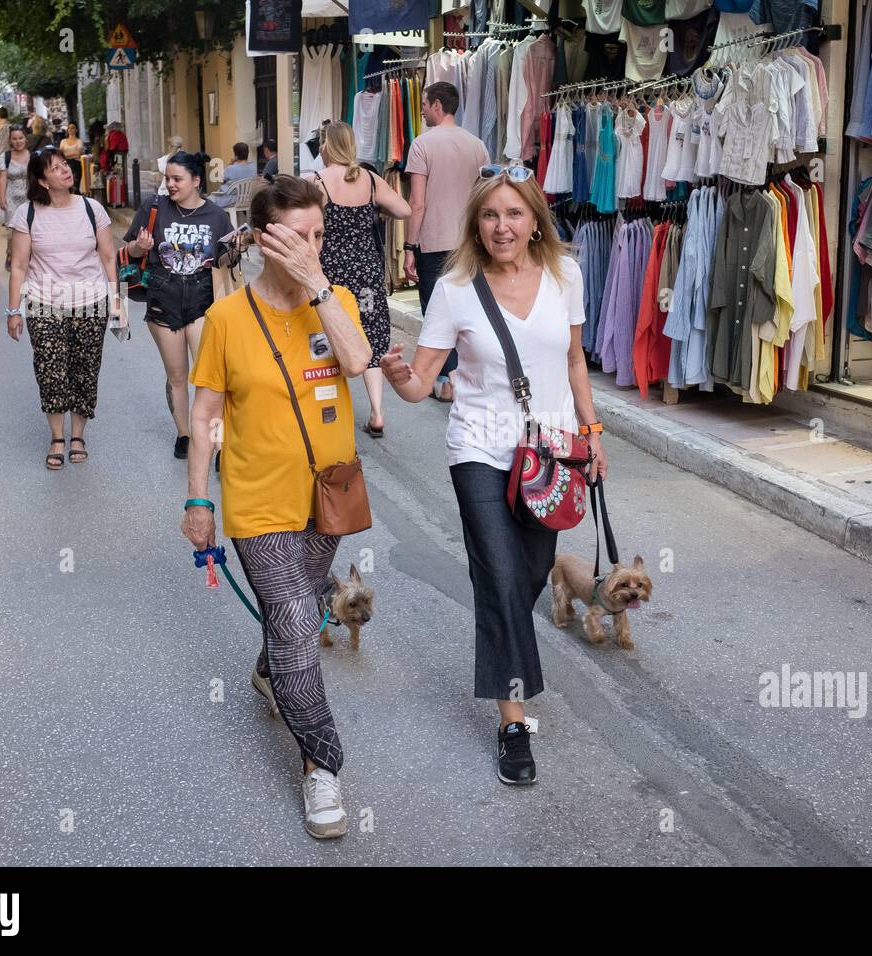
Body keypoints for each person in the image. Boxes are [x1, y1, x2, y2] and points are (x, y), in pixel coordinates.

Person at [381, 164, 608, 786]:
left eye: (513, 213)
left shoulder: (566, 274)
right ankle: (513, 722)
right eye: (489, 215)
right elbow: (422, 382)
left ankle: (508, 650)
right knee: (501, 574)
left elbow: (574, 359)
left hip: (552, 450)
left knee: (529, 575)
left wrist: (591, 431)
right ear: (475, 224)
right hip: (479, 448)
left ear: (534, 218)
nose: (502, 226)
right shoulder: (455, 286)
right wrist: (402, 377)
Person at [182, 174, 371, 839]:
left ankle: (269, 671)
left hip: (330, 493)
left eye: (320, 236)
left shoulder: (336, 299)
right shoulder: (227, 319)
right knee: (295, 618)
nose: (313, 249)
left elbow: (355, 362)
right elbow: (205, 411)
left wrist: (319, 287)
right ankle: (322, 764)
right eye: (298, 238)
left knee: (301, 610)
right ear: (265, 240)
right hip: (258, 501)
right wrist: (198, 496)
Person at [121, 150, 243, 458]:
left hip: (203, 302)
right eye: (167, 179)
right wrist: (140, 246)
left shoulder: (215, 215)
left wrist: (238, 247)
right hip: (163, 300)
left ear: (196, 181)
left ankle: (219, 444)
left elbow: (226, 262)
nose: (170, 185)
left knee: (212, 379)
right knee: (176, 376)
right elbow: (130, 251)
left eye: (177, 179)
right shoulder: (154, 207)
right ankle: (184, 434)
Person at [5, 148, 122, 470]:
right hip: (45, 304)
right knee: (50, 370)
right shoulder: (27, 214)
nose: (65, 170)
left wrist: (116, 299)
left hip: (90, 302)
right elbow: (18, 266)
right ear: (42, 181)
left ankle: (78, 435)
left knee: (85, 370)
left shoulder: (91, 208)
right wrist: (13, 311)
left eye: (64, 165)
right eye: (55, 169)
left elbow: (109, 257)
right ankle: (57, 436)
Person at [302, 121, 410, 437]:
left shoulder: (316, 181)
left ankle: (325, 408)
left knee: (327, 332)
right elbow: (404, 210)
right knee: (371, 335)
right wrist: (376, 214)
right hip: (367, 269)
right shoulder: (371, 180)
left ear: (326, 146)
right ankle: (377, 412)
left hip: (330, 269)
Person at [403, 81, 490, 404]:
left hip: (434, 241)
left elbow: (417, 202)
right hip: (471, 241)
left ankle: (451, 378)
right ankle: (465, 375)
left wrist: (410, 246)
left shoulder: (422, 145)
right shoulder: (478, 146)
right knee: (472, 309)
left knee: (438, 312)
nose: (423, 110)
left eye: (425, 104)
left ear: (438, 105)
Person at [0, 126, 32, 271]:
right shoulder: (5, 157)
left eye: (21, 138)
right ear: (10, 140)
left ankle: (27, 256)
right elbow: (2, 178)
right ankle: (10, 253)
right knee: (12, 229)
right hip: (11, 196)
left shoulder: (33, 155)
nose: (18, 142)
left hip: (29, 196)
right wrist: (2, 197)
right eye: (14, 139)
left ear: (26, 139)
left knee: (29, 229)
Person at [210, 142, 258, 208]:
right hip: (246, 199)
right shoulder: (253, 167)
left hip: (230, 200)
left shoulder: (231, 168)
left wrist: (231, 163)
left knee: (208, 201)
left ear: (236, 155)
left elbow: (221, 181)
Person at [60, 122, 85, 193]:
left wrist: (66, 155)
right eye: (69, 128)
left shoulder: (79, 141)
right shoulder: (63, 141)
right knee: (66, 187)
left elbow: (78, 155)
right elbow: (60, 154)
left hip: (76, 165)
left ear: (76, 130)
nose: (70, 129)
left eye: (73, 128)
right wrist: (72, 154)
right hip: (65, 165)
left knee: (75, 187)